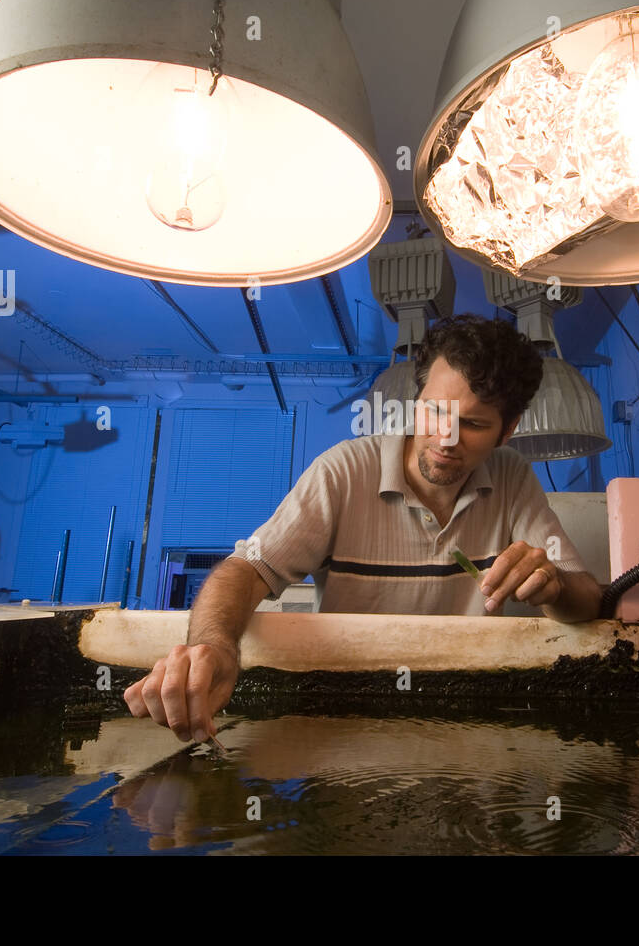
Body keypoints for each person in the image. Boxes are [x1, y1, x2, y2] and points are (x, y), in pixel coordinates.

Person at [125, 314, 602, 742]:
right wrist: (214, 647)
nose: (445, 439)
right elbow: (245, 569)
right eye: (435, 411)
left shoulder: (514, 477)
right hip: (339, 719)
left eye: (474, 424)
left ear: (508, 429)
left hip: (465, 717)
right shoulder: (343, 471)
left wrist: (553, 585)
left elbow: (587, 598)